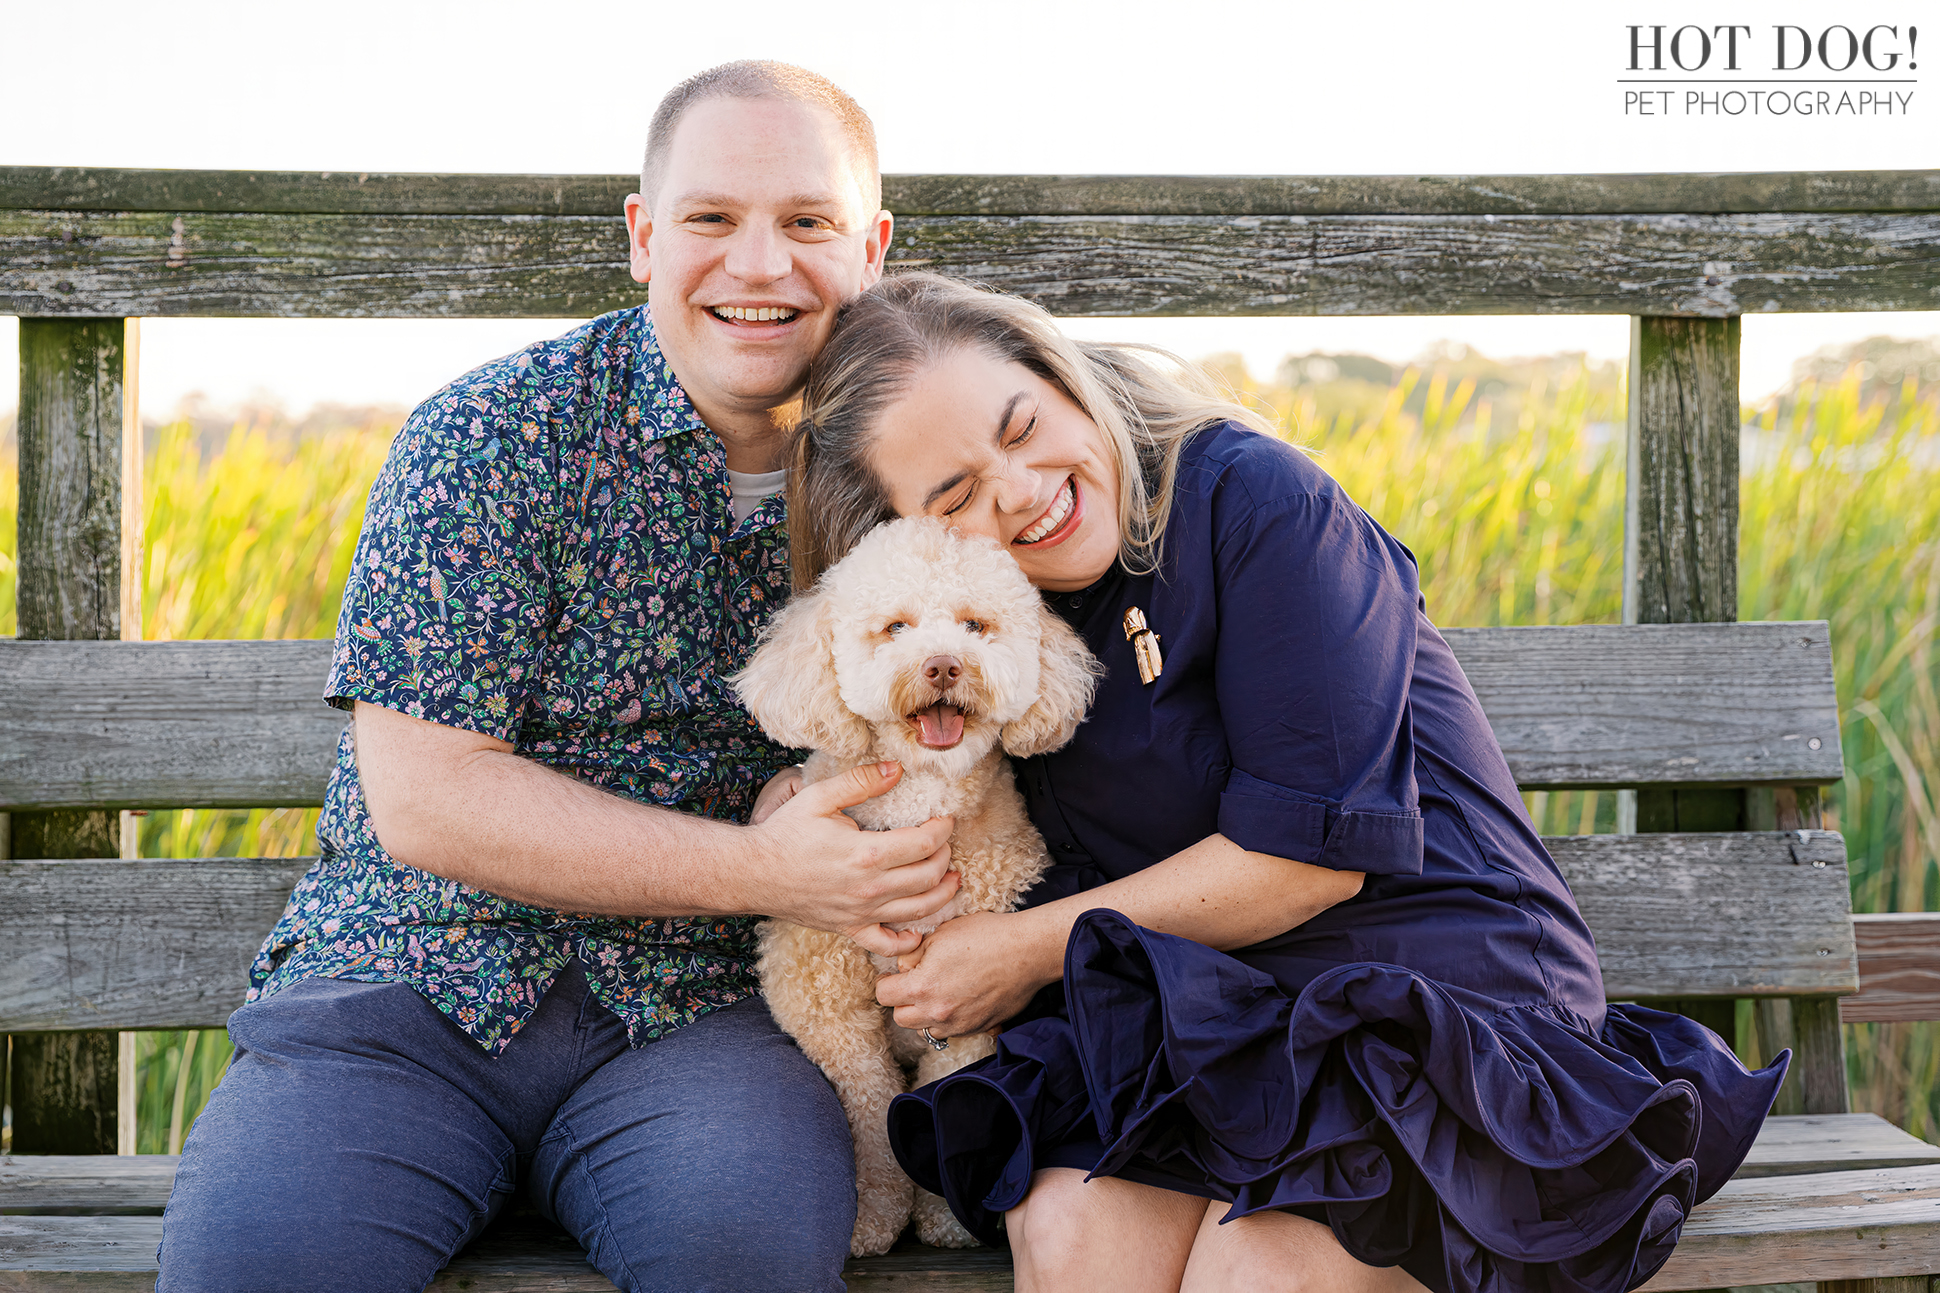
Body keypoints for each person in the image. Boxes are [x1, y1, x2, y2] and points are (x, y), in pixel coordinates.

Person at [784, 271, 1788, 1293]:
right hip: (1202, 1013)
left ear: (1060, 375)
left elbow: (1306, 862)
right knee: (1069, 1230)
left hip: (1424, 997)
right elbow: (896, 764)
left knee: (1257, 1271)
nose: (1020, 487)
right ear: (906, 534)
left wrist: (1015, 950)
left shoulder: (1252, 499)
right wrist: (798, 811)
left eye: (1021, 424)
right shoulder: (1002, 621)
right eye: (954, 497)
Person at [155, 62, 962, 1293]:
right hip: (412, 988)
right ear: (643, 238)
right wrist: (761, 866)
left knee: (741, 1257)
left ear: (871, 246)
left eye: (806, 222)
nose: (758, 266)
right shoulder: (494, 436)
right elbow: (428, 801)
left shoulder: (910, 479)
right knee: (259, 1271)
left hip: (707, 1019)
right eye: (709, 219)